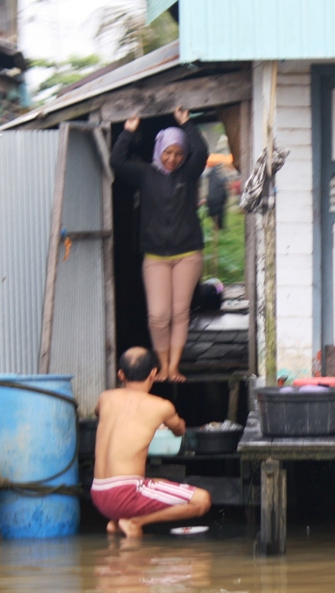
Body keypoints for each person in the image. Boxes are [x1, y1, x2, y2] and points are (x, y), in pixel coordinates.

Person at [110, 106, 209, 382]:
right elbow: (116, 161)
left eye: (178, 153)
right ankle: (161, 364)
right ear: (159, 151)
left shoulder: (188, 175)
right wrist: (128, 131)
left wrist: (187, 123)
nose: (173, 158)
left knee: (180, 312)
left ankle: (172, 368)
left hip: (188, 253)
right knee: (158, 315)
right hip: (155, 255)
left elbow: (201, 152)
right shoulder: (145, 174)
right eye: (168, 153)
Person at [91, 347, 211, 537]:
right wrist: (175, 421)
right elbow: (179, 430)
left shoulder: (105, 398)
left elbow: (99, 413)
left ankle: (114, 523)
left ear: (121, 374)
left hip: (99, 494)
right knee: (202, 500)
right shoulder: (161, 406)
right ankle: (135, 522)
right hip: (125, 494)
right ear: (154, 373)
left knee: (158, 483)